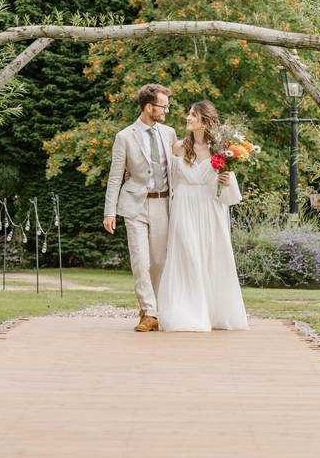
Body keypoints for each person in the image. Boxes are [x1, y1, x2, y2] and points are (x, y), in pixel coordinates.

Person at [156, 99, 248, 332]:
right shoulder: (178, 148)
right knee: (186, 255)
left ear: (204, 121)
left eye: (193, 115)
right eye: (189, 114)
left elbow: (230, 192)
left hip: (210, 208)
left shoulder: (221, 150)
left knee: (210, 255)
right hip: (184, 207)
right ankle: (187, 311)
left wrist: (227, 180)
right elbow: (165, 178)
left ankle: (212, 311)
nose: (188, 118)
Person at [103, 84, 178, 332]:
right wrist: (110, 211)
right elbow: (115, 176)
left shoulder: (169, 133)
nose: (166, 110)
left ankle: (150, 308)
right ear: (149, 107)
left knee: (158, 261)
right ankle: (150, 311)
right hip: (135, 205)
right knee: (140, 260)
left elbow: (178, 169)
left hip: (164, 203)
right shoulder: (124, 137)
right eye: (163, 106)